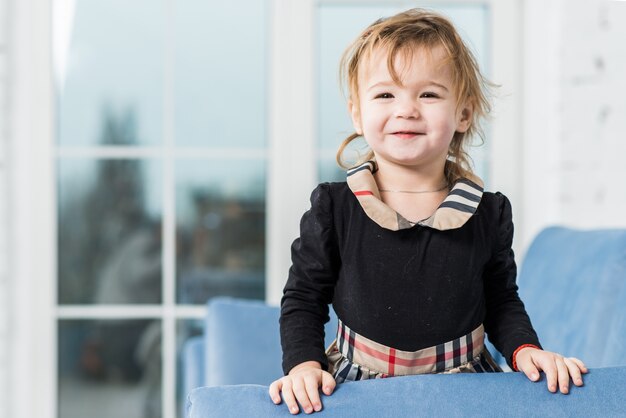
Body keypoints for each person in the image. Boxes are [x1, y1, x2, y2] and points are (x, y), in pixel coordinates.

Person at [269, 8, 587, 415]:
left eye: (429, 94)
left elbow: (501, 300)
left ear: (464, 113)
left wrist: (526, 351)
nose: (407, 109)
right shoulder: (335, 206)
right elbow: (303, 297)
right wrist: (303, 366)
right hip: (356, 388)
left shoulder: (488, 213)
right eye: (386, 94)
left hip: (464, 386)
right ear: (356, 113)